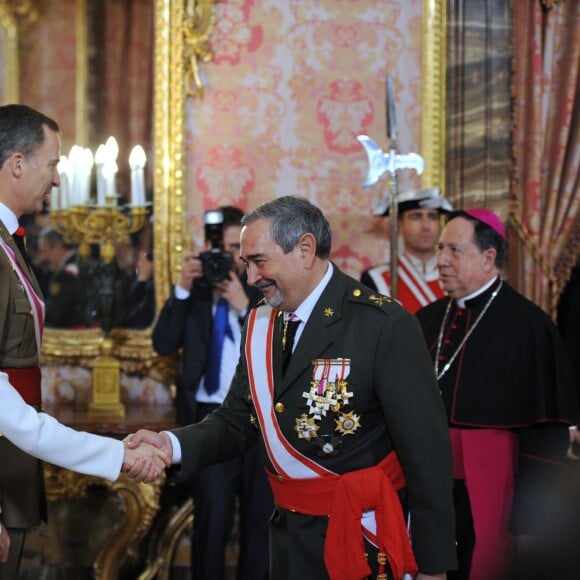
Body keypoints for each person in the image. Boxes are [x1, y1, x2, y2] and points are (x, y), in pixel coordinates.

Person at [131, 195, 458, 580]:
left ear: (304, 249)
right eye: (246, 264)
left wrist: (434, 567)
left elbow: (427, 455)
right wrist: (173, 445)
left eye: (258, 262)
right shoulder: (260, 323)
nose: (251, 278)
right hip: (287, 538)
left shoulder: (381, 324)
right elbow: (237, 418)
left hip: (361, 537)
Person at [0, 104, 169, 576]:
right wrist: (117, 455)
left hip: (13, 461)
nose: (57, 179)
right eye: (52, 164)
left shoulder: (9, 241)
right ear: (17, 164)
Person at [414, 208, 580, 580]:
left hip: (494, 483)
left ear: (488, 258)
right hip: (428, 481)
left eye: (454, 251)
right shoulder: (425, 319)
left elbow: (547, 431)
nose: (440, 261)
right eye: (441, 249)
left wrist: (532, 517)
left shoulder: (530, 327)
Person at [152, 205, 273, 580]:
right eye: (223, 250)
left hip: (260, 421)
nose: (230, 259)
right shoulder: (197, 292)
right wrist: (183, 290)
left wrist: (244, 306)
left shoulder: (265, 292)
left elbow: (281, 349)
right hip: (210, 420)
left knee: (261, 524)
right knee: (211, 522)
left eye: (240, 249)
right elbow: (163, 343)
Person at [361, 188, 452, 313]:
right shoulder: (376, 279)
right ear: (399, 225)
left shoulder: (456, 274)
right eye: (416, 217)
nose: (426, 226)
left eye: (432, 217)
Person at [37, 226, 84, 328]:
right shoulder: (83, 262)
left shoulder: (66, 275)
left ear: (57, 247)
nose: (43, 257)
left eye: (45, 251)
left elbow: (56, 314)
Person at [122, 250, 156, 329]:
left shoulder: (152, 287)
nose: (139, 263)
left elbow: (135, 319)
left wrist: (142, 279)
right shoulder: (128, 279)